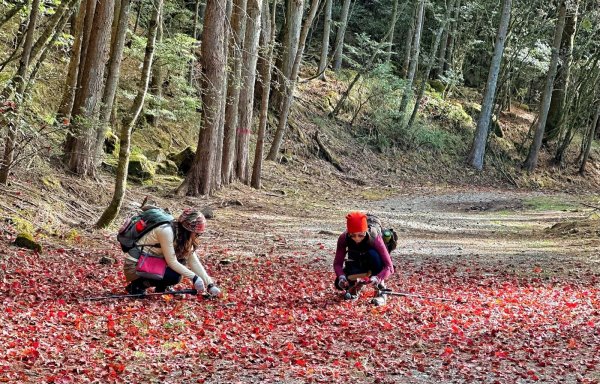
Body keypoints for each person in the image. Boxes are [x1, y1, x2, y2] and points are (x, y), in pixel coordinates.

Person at [123, 208, 221, 297]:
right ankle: (137, 285)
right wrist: (194, 278)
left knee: (182, 260)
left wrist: (210, 284)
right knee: (175, 277)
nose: (197, 236)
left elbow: (193, 261)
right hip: (135, 266)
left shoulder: (182, 236)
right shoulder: (166, 231)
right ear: (188, 229)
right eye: (197, 234)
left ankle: (162, 287)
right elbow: (171, 261)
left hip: (149, 262)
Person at [333, 211, 394, 306]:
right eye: (352, 235)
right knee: (338, 284)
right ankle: (356, 286)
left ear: (366, 231)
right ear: (348, 233)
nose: (357, 239)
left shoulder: (375, 237)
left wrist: (378, 278)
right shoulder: (343, 238)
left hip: (374, 261)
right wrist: (341, 277)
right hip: (357, 259)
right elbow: (337, 263)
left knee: (373, 254)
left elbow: (389, 267)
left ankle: (381, 289)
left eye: (361, 235)